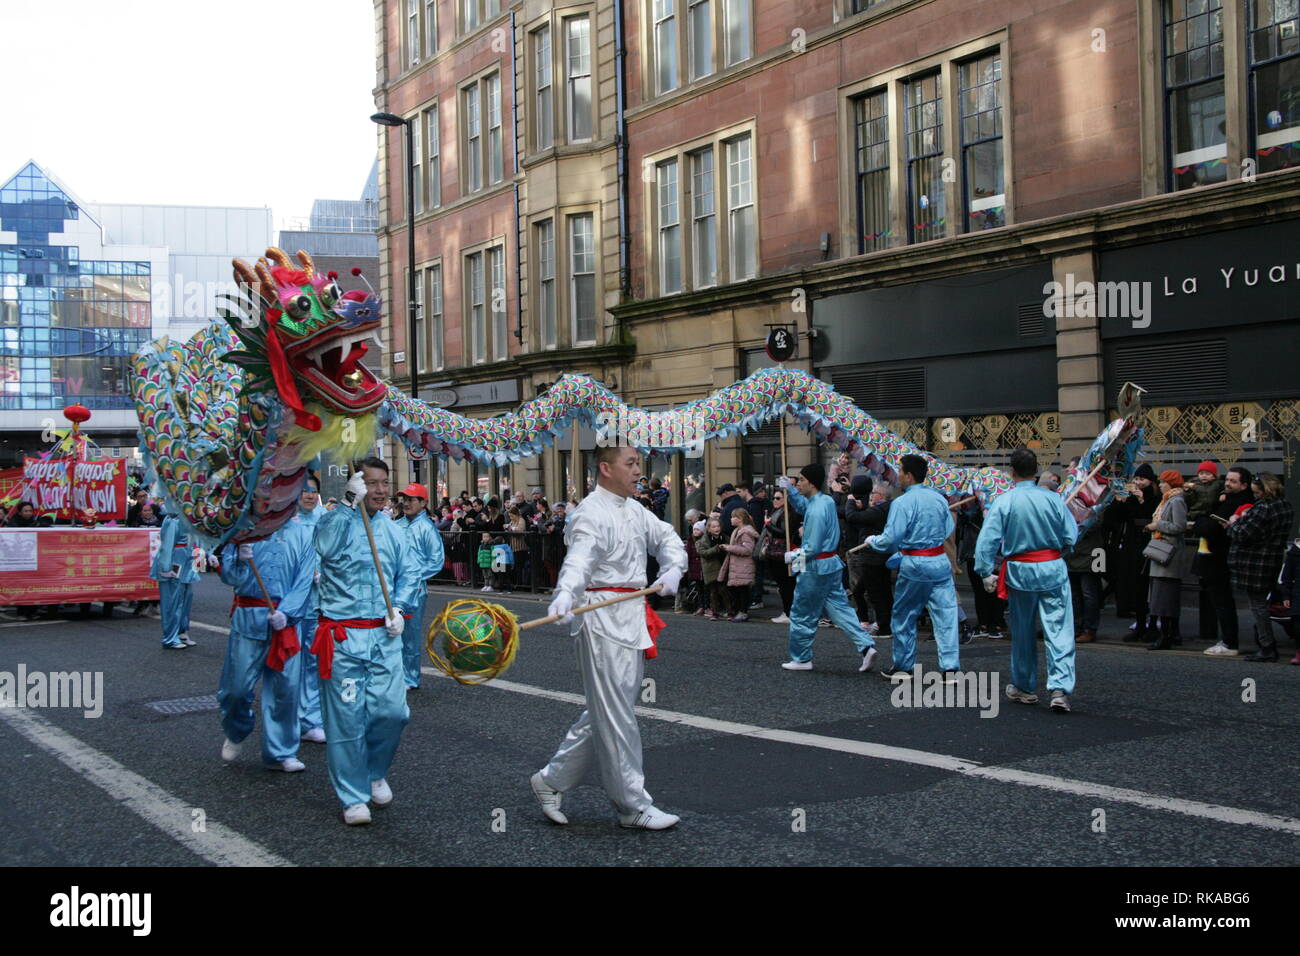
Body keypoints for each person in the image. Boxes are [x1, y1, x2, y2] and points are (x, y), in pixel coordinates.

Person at [530, 445, 686, 830]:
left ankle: (551, 779)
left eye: (638, 464)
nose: (638, 471)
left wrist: (673, 569)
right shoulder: (589, 513)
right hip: (600, 616)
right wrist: (566, 592)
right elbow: (580, 559)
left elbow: (667, 537)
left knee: (609, 709)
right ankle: (632, 805)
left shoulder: (634, 509)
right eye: (630, 464)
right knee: (616, 713)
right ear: (605, 468)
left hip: (630, 613)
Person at [313, 457, 422, 825]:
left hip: (383, 636)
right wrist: (345, 505)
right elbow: (325, 547)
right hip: (342, 637)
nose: (379, 490)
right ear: (356, 486)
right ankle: (352, 794)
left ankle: (375, 771)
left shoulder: (393, 530)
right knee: (345, 719)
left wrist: (401, 608)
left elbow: (410, 573)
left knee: (393, 713)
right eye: (371, 483)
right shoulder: (332, 520)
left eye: (383, 484)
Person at [974, 448, 1078, 712]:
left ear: (1012, 472)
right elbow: (1071, 536)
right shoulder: (1055, 499)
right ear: (1036, 471)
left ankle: (1024, 686)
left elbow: (988, 539)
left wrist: (985, 570)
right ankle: (1059, 689)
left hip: (1020, 570)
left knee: (1022, 631)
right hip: (1052, 567)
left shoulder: (1005, 500)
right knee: (1059, 630)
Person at [217, 518, 316, 772]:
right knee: (235, 689)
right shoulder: (244, 530)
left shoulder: (303, 534)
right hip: (249, 619)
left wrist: (288, 612)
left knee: (286, 689)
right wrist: (238, 557)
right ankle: (236, 729)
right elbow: (230, 577)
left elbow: (304, 580)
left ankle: (281, 751)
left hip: (286, 623)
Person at [777, 463, 878, 672]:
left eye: (802, 480)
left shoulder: (816, 511)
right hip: (831, 564)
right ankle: (866, 646)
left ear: (811, 482)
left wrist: (793, 555)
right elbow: (804, 505)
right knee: (840, 608)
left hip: (815, 567)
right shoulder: (824, 501)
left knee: (802, 612)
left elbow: (812, 546)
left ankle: (802, 658)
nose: (800, 483)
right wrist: (790, 490)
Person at [865, 455, 958, 680]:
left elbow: (891, 539)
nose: (898, 475)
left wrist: (872, 541)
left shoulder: (902, 502)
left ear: (909, 475)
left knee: (905, 614)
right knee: (946, 615)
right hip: (939, 562)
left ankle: (904, 666)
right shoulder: (939, 499)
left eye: (900, 471)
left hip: (915, 563)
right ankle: (950, 668)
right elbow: (947, 530)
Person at [1226, 472, 1296, 662]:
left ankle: (1266, 646)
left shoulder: (1264, 508)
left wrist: (1233, 522)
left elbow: (1242, 534)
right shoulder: (1284, 506)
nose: (1255, 496)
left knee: (1258, 606)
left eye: (1257, 493)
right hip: (1272, 559)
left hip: (1255, 563)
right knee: (1270, 602)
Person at [1194, 465, 1254, 656]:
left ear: (1244, 485)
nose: (1227, 484)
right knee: (1219, 600)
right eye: (1227, 480)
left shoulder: (1239, 503)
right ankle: (1228, 640)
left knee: (1223, 601)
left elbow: (1208, 528)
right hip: (1214, 556)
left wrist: (1202, 522)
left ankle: (1229, 642)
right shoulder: (1225, 499)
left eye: (1233, 481)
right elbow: (1207, 521)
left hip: (1221, 558)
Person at [395, 482, 445, 690]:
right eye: (404, 499)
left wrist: (413, 576)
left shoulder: (427, 528)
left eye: (411, 499)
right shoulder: (396, 525)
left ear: (423, 503)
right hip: (393, 589)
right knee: (390, 633)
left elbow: (436, 561)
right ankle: (394, 675)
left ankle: (410, 677)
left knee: (410, 635)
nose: (406, 503)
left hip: (414, 592)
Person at [292, 476, 327, 744]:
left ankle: (311, 718)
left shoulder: (324, 519)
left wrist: (323, 574)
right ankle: (287, 717)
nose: (309, 495)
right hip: (289, 605)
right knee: (289, 663)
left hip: (316, 602)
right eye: (304, 490)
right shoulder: (284, 521)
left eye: (314, 491)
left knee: (314, 660)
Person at [1145, 470, 1193, 651]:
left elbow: (1179, 526)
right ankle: (1168, 633)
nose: (1160, 484)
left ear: (1171, 483)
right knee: (1160, 596)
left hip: (1168, 553)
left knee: (1165, 597)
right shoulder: (1167, 500)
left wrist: (1158, 525)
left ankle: (1167, 635)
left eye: (1163, 482)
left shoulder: (1177, 501)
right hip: (1161, 551)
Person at [843, 477, 893, 636]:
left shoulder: (879, 510)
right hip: (877, 558)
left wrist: (850, 501)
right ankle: (881, 623)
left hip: (873, 558)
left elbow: (852, 516)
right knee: (863, 590)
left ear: (881, 496)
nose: (871, 496)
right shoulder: (882, 509)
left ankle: (884, 626)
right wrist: (862, 506)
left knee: (877, 593)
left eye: (874, 493)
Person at [150, 514, 199, 649]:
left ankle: (182, 632)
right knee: (172, 600)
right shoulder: (173, 519)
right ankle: (170, 637)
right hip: (175, 560)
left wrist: (201, 563)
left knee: (186, 597)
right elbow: (167, 544)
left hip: (187, 560)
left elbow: (198, 540)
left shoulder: (191, 518)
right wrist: (166, 567)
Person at [761, 489, 800, 624]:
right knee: (784, 584)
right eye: (774, 498)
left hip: (784, 552)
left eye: (778, 498)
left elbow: (784, 533)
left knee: (787, 584)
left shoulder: (788, 514)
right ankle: (788, 611)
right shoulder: (777, 512)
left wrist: (768, 525)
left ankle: (789, 612)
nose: (775, 500)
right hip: (776, 552)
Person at [719, 508, 759, 622]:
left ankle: (743, 612)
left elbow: (747, 550)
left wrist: (729, 547)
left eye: (733, 517)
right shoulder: (737, 530)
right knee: (736, 589)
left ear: (740, 519)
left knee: (743, 590)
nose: (730, 519)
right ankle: (737, 611)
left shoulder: (745, 532)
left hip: (744, 566)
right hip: (737, 565)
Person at [697, 515, 730, 620]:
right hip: (711, 569)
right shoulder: (705, 539)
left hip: (723, 567)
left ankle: (730, 611)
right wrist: (716, 548)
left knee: (724, 590)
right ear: (709, 529)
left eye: (718, 526)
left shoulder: (725, 537)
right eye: (714, 527)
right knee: (713, 591)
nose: (717, 528)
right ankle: (714, 612)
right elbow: (703, 552)